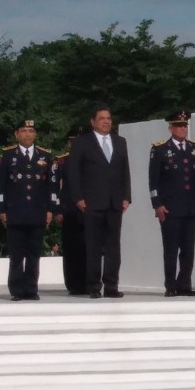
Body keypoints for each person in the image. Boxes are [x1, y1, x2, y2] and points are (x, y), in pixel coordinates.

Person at [67, 106, 131, 299]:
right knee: (93, 246)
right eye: (102, 118)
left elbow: (124, 171)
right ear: (93, 121)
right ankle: (94, 285)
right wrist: (78, 197)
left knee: (113, 247)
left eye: (109, 118)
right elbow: (73, 172)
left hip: (114, 203)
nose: (106, 121)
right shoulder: (82, 142)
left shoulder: (120, 142)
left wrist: (127, 196)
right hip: (91, 202)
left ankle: (112, 285)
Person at [149, 110, 195, 297]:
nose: (182, 128)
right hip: (170, 207)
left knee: (188, 249)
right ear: (170, 128)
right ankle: (170, 285)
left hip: (191, 206)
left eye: (185, 125)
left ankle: (185, 284)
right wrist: (157, 204)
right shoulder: (160, 149)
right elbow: (153, 180)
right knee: (171, 248)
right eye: (178, 125)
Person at [0, 119, 57, 301]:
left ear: (35, 134)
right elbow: (0, 186)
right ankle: (16, 289)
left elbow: (51, 187)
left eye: (31, 131)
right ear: (16, 134)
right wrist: (1, 209)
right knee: (16, 254)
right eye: (24, 131)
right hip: (15, 212)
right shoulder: (7, 156)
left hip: (38, 212)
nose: (28, 134)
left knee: (34, 254)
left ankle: (31, 288)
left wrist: (51, 209)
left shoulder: (44, 156)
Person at [53, 126, 87, 295]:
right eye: (74, 141)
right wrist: (58, 209)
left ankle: (89, 282)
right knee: (71, 248)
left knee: (89, 247)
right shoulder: (62, 161)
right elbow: (56, 186)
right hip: (69, 211)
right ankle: (73, 283)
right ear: (69, 143)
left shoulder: (90, 159)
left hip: (88, 210)